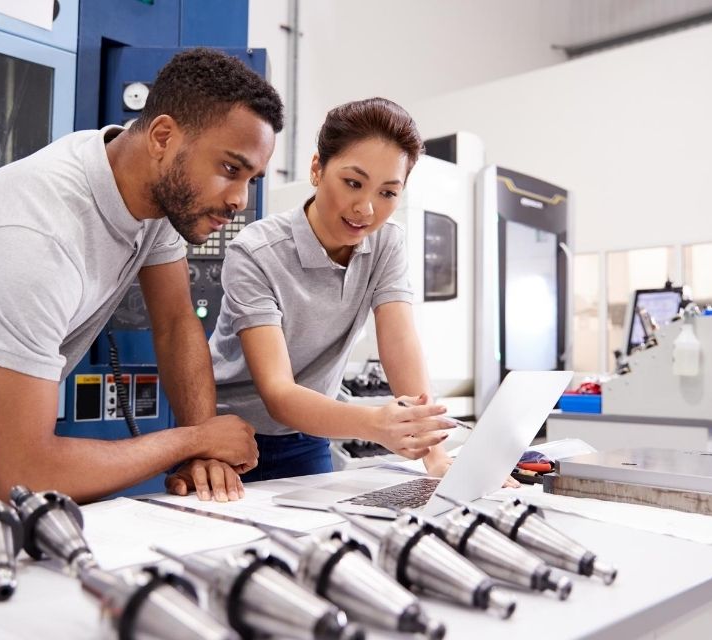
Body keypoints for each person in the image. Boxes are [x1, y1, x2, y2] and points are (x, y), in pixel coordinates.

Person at [0, 48, 282, 503]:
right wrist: (194, 440)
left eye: (252, 179)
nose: (240, 200)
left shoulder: (151, 190)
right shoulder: (35, 234)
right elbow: (25, 476)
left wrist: (206, 451)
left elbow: (176, 321)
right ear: (163, 137)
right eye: (230, 169)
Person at [168, 97, 511, 497]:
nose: (365, 208)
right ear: (317, 169)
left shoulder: (386, 244)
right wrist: (375, 424)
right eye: (353, 183)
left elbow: (400, 344)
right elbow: (278, 393)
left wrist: (434, 456)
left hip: (309, 435)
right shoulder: (256, 252)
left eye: (388, 192)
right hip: (230, 439)